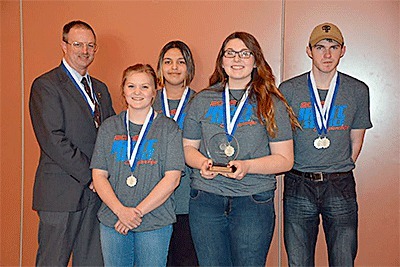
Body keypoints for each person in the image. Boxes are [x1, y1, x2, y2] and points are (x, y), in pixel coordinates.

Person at [183, 32, 300, 266]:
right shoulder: (202, 100)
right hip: (206, 199)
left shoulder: (271, 103)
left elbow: (285, 160)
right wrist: (202, 163)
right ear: (222, 60)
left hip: (253, 201)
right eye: (230, 53)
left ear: (255, 60)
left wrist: (247, 166)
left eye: (245, 53)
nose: (237, 59)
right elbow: (188, 149)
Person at [279, 22, 372, 266]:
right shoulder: (288, 90)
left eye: (334, 47)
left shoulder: (358, 90)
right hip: (298, 183)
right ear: (309, 51)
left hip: (339, 184)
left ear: (343, 50)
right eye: (320, 47)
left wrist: (337, 167)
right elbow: (281, 138)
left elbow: (357, 139)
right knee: (298, 261)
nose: (327, 54)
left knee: (343, 260)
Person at [29, 20, 115, 266]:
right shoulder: (46, 85)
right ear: (64, 46)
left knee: (92, 262)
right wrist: (92, 176)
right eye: (78, 44)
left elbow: (110, 135)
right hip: (62, 194)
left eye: (90, 45)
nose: (84, 51)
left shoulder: (100, 89)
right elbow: (53, 140)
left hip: (96, 195)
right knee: (52, 261)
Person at [91, 64, 185, 266]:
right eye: (131, 86)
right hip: (113, 221)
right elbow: (98, 175)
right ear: (123, 91)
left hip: (154, 222)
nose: (137, 92)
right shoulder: (109, 127)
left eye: (144, 87)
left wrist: (136, 213)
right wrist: (121, 211)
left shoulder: (169, 129)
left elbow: (173, 178)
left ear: (154, 92)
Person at [153, 40, 198, 266]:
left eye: (181, 62)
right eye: (168, 62)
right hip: (153, 199)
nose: (174, 67)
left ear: (189, 67)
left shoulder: (201, 102)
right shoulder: (147, 100)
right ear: (160, 67)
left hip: (189, 199)